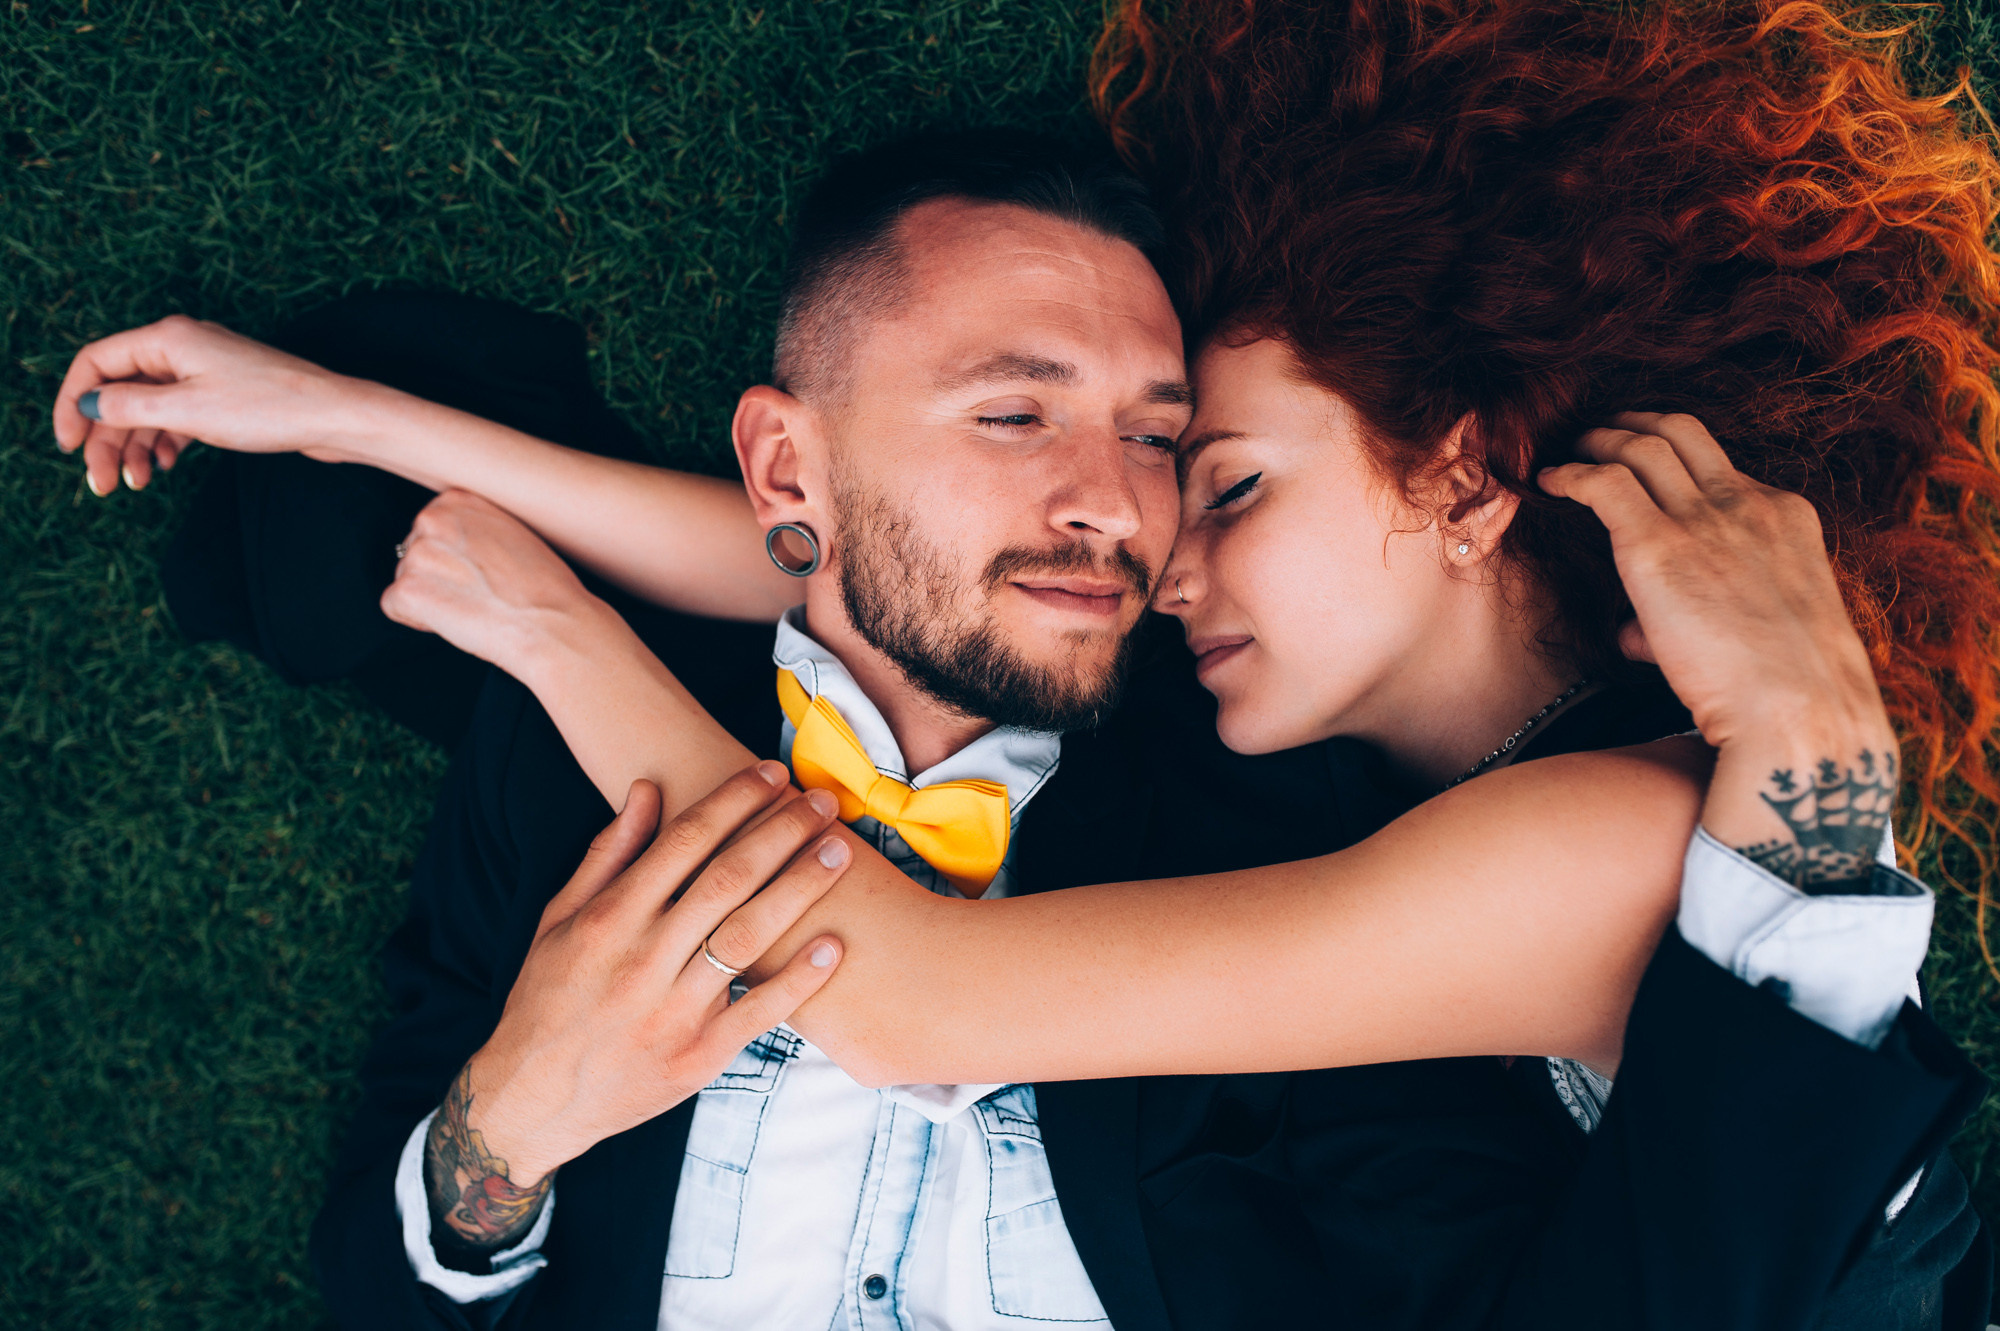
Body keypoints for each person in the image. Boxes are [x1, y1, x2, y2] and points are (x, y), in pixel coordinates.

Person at [51, 3, 1998, 1327]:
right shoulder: (1325, 738)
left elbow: (898, 997)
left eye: (1204, 469)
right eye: (1143, 471)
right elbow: (834, 554)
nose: (1146, 545)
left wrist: (561, 634)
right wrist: (353, 418)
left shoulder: (1557, 842)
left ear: (1468, 476)